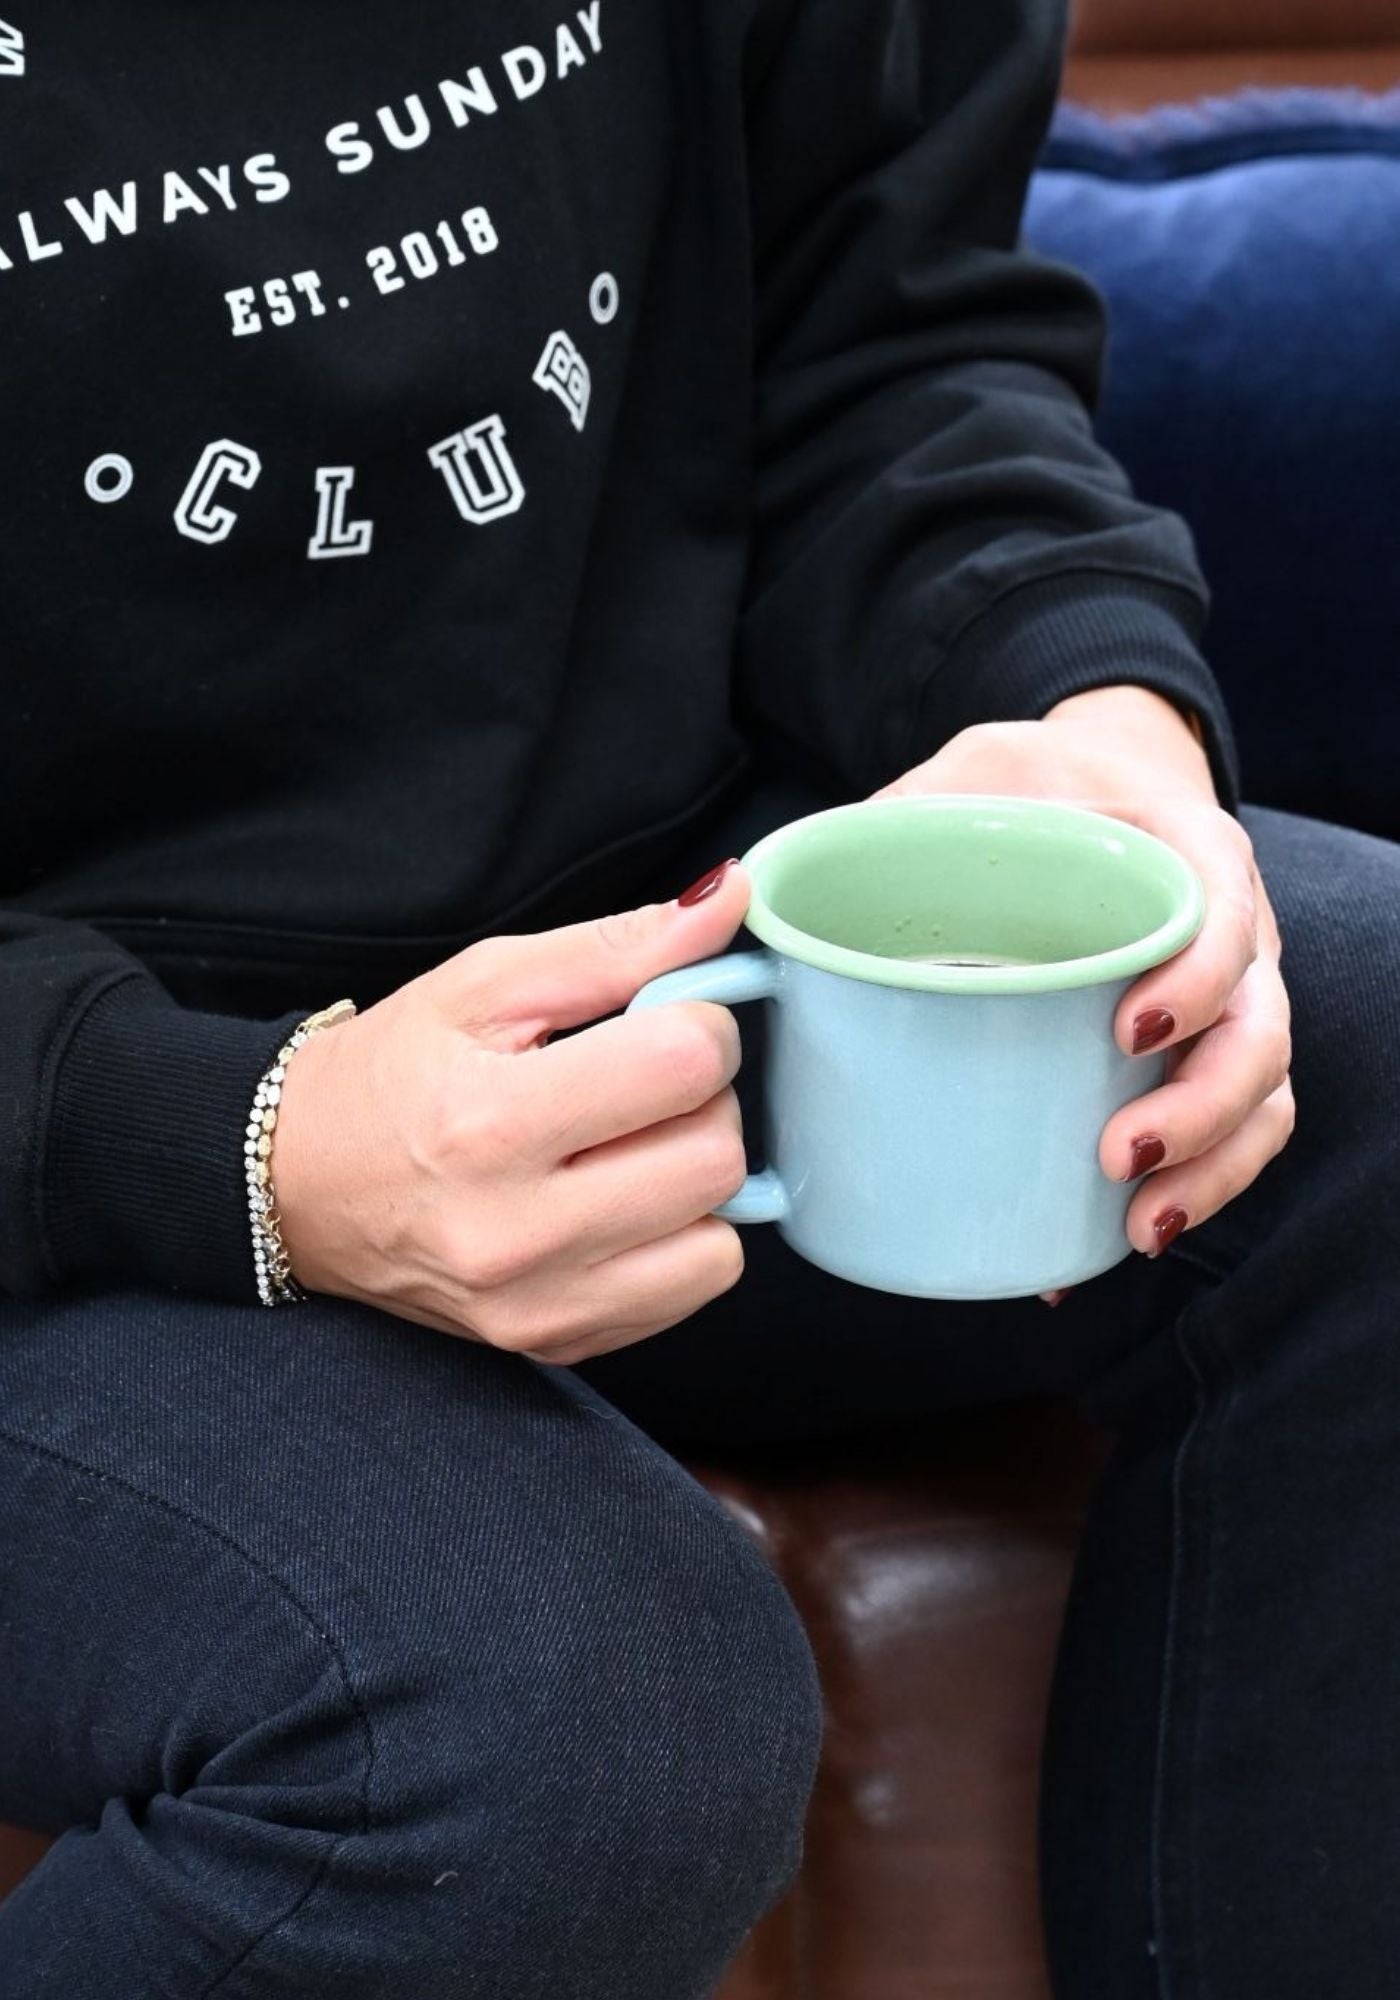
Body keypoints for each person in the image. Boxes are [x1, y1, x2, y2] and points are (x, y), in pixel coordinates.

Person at [1, 4, 1396, 1996]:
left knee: (1364, 1032)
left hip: (645, 969)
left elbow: (881, 338)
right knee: (564, 1732)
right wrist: (227, 1139)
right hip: (60, 1170)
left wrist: (1088, 701)